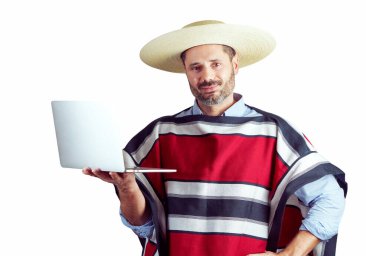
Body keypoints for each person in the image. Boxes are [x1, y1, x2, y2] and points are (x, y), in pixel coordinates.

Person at [83, 20, 347, 256]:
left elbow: (330, 198)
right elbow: (146, 226)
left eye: (215, 64)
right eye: (196, 67)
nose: (206, 76)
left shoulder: (274, 131)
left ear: (234, 65)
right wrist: (127, 186)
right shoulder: (160, 134)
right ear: (185, 72)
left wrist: (289, 255)